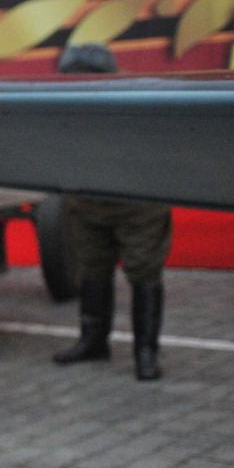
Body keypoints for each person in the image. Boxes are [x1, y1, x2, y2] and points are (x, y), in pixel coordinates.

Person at [50, 43, 171, 380]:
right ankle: (93, 341)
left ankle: (146, 351)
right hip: (88, 202)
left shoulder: (138, 100)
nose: (77, 86)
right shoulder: (60, 104)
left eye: (84, 79)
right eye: (71, 80)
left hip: (138, 204)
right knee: (92, 269)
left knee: (143, 271)